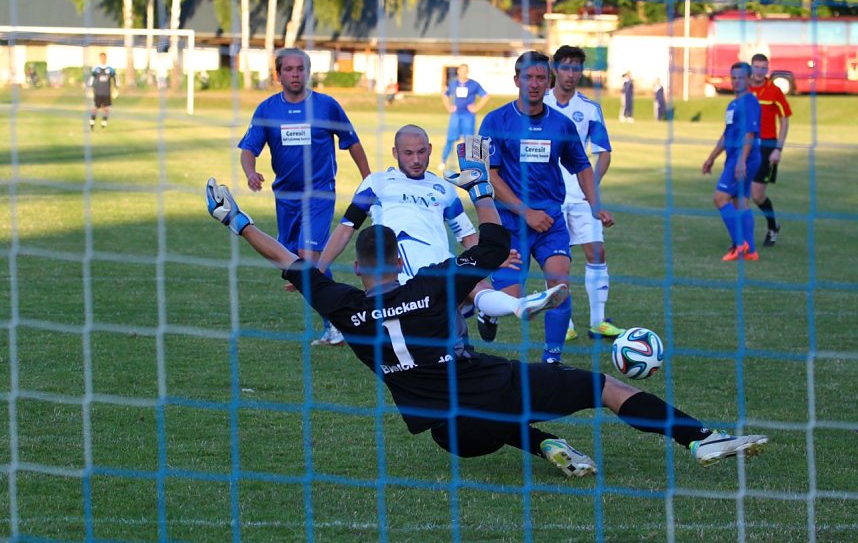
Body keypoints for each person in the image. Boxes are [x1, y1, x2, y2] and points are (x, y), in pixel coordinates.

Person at [204, 145, 769, 478]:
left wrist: (235, 221)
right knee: (598, 386)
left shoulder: (345, 311)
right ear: (400, 259)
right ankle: (699, 437)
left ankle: (546, 443)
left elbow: (290, 261)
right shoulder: (430, 283)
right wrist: (478, 187)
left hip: (452, 438)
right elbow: (494, 246)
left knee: (494, 412)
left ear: (355, 269)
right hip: (484, 388)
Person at [317, 125, 566, 329]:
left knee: (476, 287)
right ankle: (490, 311)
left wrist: (490, 258)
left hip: (440, 258)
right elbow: (346, 228)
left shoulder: (444, 189)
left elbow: (467, 236)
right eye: (408, 153)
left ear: (431, 150)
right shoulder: (377, 183)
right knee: (440, 322)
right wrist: (318, 270)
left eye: (422, 152)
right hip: (402, 263)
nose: (416, 160)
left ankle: (518, 306)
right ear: (395, 152)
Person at [476, 51, 614, 364]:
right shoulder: (495, 121)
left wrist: (595, 206)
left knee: (560, 281)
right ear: (516, 80)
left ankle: (552, 357)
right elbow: (489, 174)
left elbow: (582, 166)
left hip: (551, 222)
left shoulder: (561, 125)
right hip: (509, 225)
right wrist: (525, 212)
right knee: (509, 299)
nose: (535, 84)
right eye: (529, 77)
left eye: (541, 78)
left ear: (549, 81)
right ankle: (487, 311)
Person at [238, 47, 371, 345]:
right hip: (285, 198)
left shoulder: (326, 106)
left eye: (300, 69)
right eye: (289, 69)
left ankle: (340, 325)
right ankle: (339, 319)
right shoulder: (267, 110)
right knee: (291, 263)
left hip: (319, 194)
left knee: (309, 261)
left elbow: (353, 143)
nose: (295, 74)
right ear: (278, 74)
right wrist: (250, 172)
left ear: (308, 72)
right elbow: (249, 149)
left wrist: (368, 181)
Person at [543, 45, 625, 342]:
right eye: (565, 67)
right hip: (548, 195)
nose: (571, 74)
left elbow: (604, 153)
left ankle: (598, 322)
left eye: (577, 68)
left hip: (579, 196)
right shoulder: (541, 103)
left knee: (597, 252)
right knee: (556, 259)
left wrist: (591, 186)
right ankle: (564, 323)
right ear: (555, 69)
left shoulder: (589, 108)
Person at [702, 62, 762, 261]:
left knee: (720, 198)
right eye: (733, 77)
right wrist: (711, 158)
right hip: (736, 157)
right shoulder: (733, 104)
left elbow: (750, 134)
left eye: (741, 77)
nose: (736, 81)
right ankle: (751, 250)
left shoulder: (750, 102)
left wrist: (741, 161)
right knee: (740, 201)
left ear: (749, 79)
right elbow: (727, 135)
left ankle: (740, 244)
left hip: (744, 157)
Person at [749, 53, 791, 247]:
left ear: (767, 69)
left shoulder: (774, 91)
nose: (759, 71)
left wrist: (778, 149)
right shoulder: (744, 88)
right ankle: (740, 237)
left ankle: (773, 226)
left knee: (757, 195)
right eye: (756, 67)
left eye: (763, 67)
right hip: (746, 145)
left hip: (766, 146)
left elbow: (784, 120)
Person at [439, 64, 490, 171]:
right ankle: (443, 161)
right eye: (462, 71)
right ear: (458, 71)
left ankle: (471, 165)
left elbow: (485, 96)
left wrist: (476, 107)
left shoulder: (474, 84)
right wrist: (448, 107)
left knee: (470, 140)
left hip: (468, 116)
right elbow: (444, 94)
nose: (463, 73)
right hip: (456, 115)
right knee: (450, 139)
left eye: (466, 71)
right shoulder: (453, 84)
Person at [87, 52, 117, 130]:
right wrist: (90, 89)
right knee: (95, 108)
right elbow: (91, 79)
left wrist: (116, 89)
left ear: (105, 58)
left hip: (106, 92)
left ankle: (104, 123)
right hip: (98, 92)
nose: (103, 59)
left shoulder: (110, 69)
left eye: (104, 57)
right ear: (100, 58)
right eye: (101, 57)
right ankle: (92, 123)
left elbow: (115, 79)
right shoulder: (96, 69)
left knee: (106, 108)